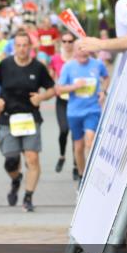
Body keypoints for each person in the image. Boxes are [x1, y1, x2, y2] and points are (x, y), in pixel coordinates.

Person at [0, 30, 57, 212]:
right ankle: (15, 180)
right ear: (14, 47)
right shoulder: (5, 65)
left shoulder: (38, 67)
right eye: (18, 45)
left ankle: (28, 197)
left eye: (25, 45)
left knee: (32, 158)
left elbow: (53, 89)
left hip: (30, 118)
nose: (22, 49)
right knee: (11, 161)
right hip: (8, 118)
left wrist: (42, 97)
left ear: (30, 47)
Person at [58, 44, 110, 183]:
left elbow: (106, 77)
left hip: (92, 110)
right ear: (74, 52)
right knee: (79, 146)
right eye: (79, 50)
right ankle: (82, 175)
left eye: (85, 50)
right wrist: (75, 86)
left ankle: (93, 174)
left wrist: (103, 91)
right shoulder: (68, 67)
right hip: (74, 112)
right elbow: (59, 89)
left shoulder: (97, 64)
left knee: (90, 141)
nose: (82, 53)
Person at [50, 32, 78, 179]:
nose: (67, 44)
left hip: (76, 100)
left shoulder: (78, 58)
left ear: (74, 42)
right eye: (64, 41)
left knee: (75, 133)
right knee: (64, 130)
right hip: (61, 100)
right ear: (61, 43)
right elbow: (50, 76)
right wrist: (53, 86)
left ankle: (75, 164)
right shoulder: (55, 58)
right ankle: (62, 156)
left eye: (70, 41)